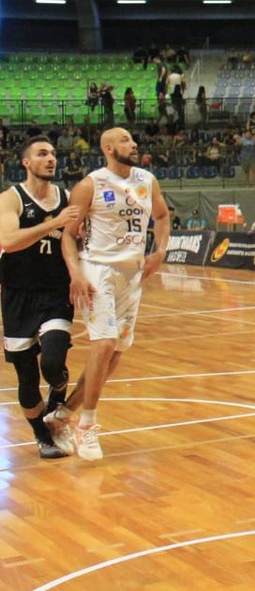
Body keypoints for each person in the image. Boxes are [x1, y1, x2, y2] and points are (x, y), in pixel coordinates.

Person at [45, 128, 169, 461]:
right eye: (127, 140)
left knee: (116, 353)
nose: (135, 143)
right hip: (98, 271)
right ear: (109, 148)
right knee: (103, 343)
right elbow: (68, 236)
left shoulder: (147, 180)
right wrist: (76, 274)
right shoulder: (90, 185)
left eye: (134, 139)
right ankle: (87, 424)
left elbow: (162, 215)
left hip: (133, 275)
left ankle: (62, 414)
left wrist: (160, 251)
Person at [0, 137, 81, 459]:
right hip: (18, 295)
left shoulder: (68, 198)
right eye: (42, 154)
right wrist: (53, 224)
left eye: (53, 154)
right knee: (27, 380)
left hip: (55, 292)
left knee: (52, 362)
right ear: (26, 162)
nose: (51, 159)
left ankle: (58, 393)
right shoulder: (11, 199)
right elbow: (8, 240)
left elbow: (76, 240)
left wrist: (80, 273)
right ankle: (42, 436)